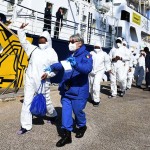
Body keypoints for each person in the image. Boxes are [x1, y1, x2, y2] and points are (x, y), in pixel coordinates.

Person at [41, 33, 93, 147]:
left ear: (80, 43)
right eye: (69, 41)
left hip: (79, 91)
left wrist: (76, 64)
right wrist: (53, 66)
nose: (70, 43)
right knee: (66, 113)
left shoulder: (87, 55)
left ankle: (82, 125)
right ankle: (67, 135)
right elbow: (63, 65)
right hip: (67, 90)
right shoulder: (72, 54)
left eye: (72, 41)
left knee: (78, 111)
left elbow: (87, 69)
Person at [17, 23, 58, 135]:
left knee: (47, 101)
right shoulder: (33, 49)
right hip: (30, 79)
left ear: (48, 41)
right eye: (40, 39)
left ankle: (53, 115)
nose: (41, 41)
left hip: (43, 81)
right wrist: (21, 30)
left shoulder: (52, 52)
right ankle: (25, 126)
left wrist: (48, 75)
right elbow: (23, 42)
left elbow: (56, 69)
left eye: (43, 39)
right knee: (27, 101)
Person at [89, 42, 111, 107]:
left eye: (98, 47)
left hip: (99, 71)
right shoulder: (91, 53)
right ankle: (93, 98)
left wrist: (109, 69)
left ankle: (96, 100)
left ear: (101, 47)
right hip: (91, 71)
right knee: (91, 85)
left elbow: (107, 62)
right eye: (95, 47)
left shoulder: (104, 54)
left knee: (96, 84)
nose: (97, 48)